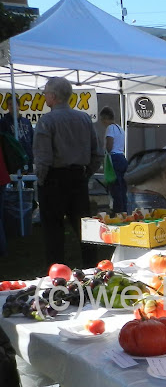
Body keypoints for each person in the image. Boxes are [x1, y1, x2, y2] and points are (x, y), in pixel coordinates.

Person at [33, 77, 101, 268]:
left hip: (54, 178)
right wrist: (85, 174)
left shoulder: (46, 121)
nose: (44, 96)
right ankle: (93, 269)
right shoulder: (84, 118)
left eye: (45, 93)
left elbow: (43, 157)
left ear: (53, 96)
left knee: (53, 231)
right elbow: (97, 154)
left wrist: (41, 181)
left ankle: (57, 274)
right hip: (78, 177)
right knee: (85, 230)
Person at [99, 106, 128, 213]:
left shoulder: (110, 128)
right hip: (122, 157)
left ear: (105, 118)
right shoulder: (120, 128)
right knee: (122, 189)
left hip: (114, 159)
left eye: (102, 120)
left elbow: (109, 146)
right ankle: (124, 211)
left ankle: (118, 212)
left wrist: (105, 148)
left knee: (115, 189)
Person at [0, 95, 34, 168]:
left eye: (14, 104)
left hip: (28, 158)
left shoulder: (26, 121)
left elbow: (32, 139)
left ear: (19, 106)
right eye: (10, 104)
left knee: (29, 178)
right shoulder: (3, 122)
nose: (12, 106)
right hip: (13, 160)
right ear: (7, 107)